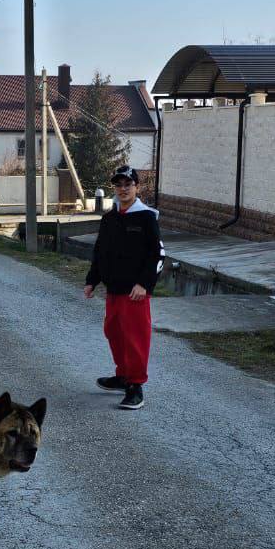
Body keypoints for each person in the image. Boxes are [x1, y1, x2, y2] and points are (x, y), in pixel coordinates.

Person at [83, 165, 164, 410]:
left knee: (135, 338)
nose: (123, 189)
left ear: (136, 187)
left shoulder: (147, 217)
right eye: (118, 185)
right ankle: (122, 376)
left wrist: (144, 284)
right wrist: (92, 280)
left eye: (128, 184)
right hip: (113, 290)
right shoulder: (109, 219)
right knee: (114, 333)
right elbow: (100, 251)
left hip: (135, 293)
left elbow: (158, 255)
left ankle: (135, 386)